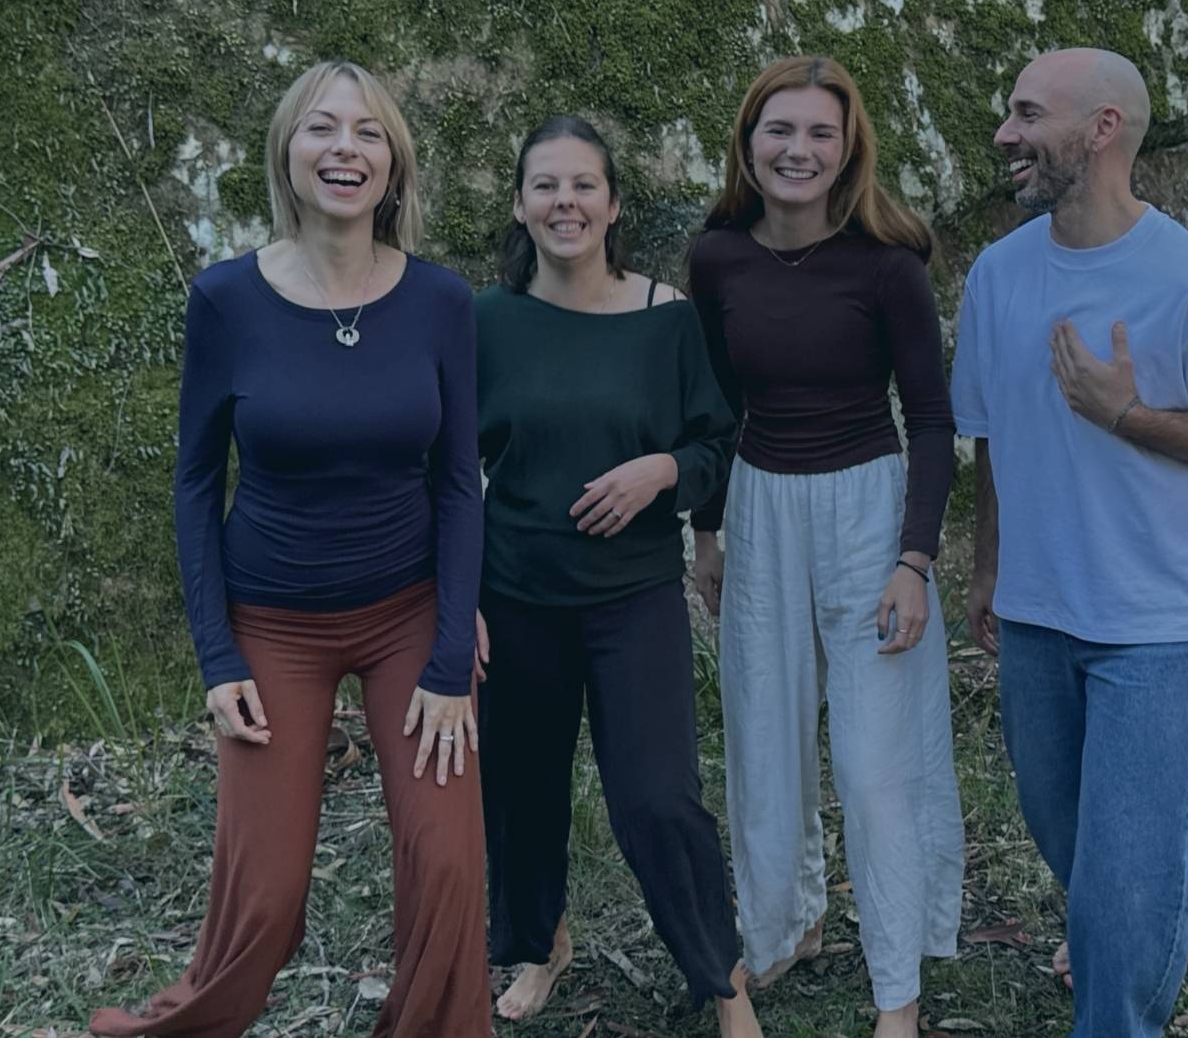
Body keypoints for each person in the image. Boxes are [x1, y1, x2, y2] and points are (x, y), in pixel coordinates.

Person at [90, 60, 490, 1038]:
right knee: (265, 895)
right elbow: (195, 481)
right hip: (272, 627)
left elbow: (458, 483)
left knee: (446, 864)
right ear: (286, 152)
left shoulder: (441, 302)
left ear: (393, 165)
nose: (344, 148)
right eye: (321, 127)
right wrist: (216, 653)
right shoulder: (226, 299)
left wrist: (449, 655)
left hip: (408, 619)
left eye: (367, 132)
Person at [952, 48, 1188, 1037]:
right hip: (1034, 611)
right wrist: (987, 566)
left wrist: (1128, 415)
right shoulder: (999, 274)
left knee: (1127, 872)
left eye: (1029, 114)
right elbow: (990, 433)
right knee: (1065, 831)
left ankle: (1121, 992)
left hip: (1152, 623)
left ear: (1102, 129)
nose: (1006, 134)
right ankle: (1116, 931)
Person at [688, 56, 964, 1038]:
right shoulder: (717, 258)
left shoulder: (888, 266)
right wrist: (707, 531)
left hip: (867, 515)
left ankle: (897, 993)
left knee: (875, 762)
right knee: (763, 740)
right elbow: (716, 407)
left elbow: (931, 421)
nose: (797, 149)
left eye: (820, 133)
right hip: (762, 510)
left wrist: (913, 561)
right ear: (747, 143)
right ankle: (783, 926)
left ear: (848, 151)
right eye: (779, 129)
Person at [473, 115, 763, 1038]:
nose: (565, 202)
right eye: (546, 186)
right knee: (520, 791)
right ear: (520, 204)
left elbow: (716, 443)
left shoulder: (664, 318)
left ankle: (724, 982)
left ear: (613, 204)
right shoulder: (484, 321)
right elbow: (446, 467)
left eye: (583, 185)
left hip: (632, 597)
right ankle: (541, 943)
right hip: (514, 594)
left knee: (659, 799)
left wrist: (663, 470)